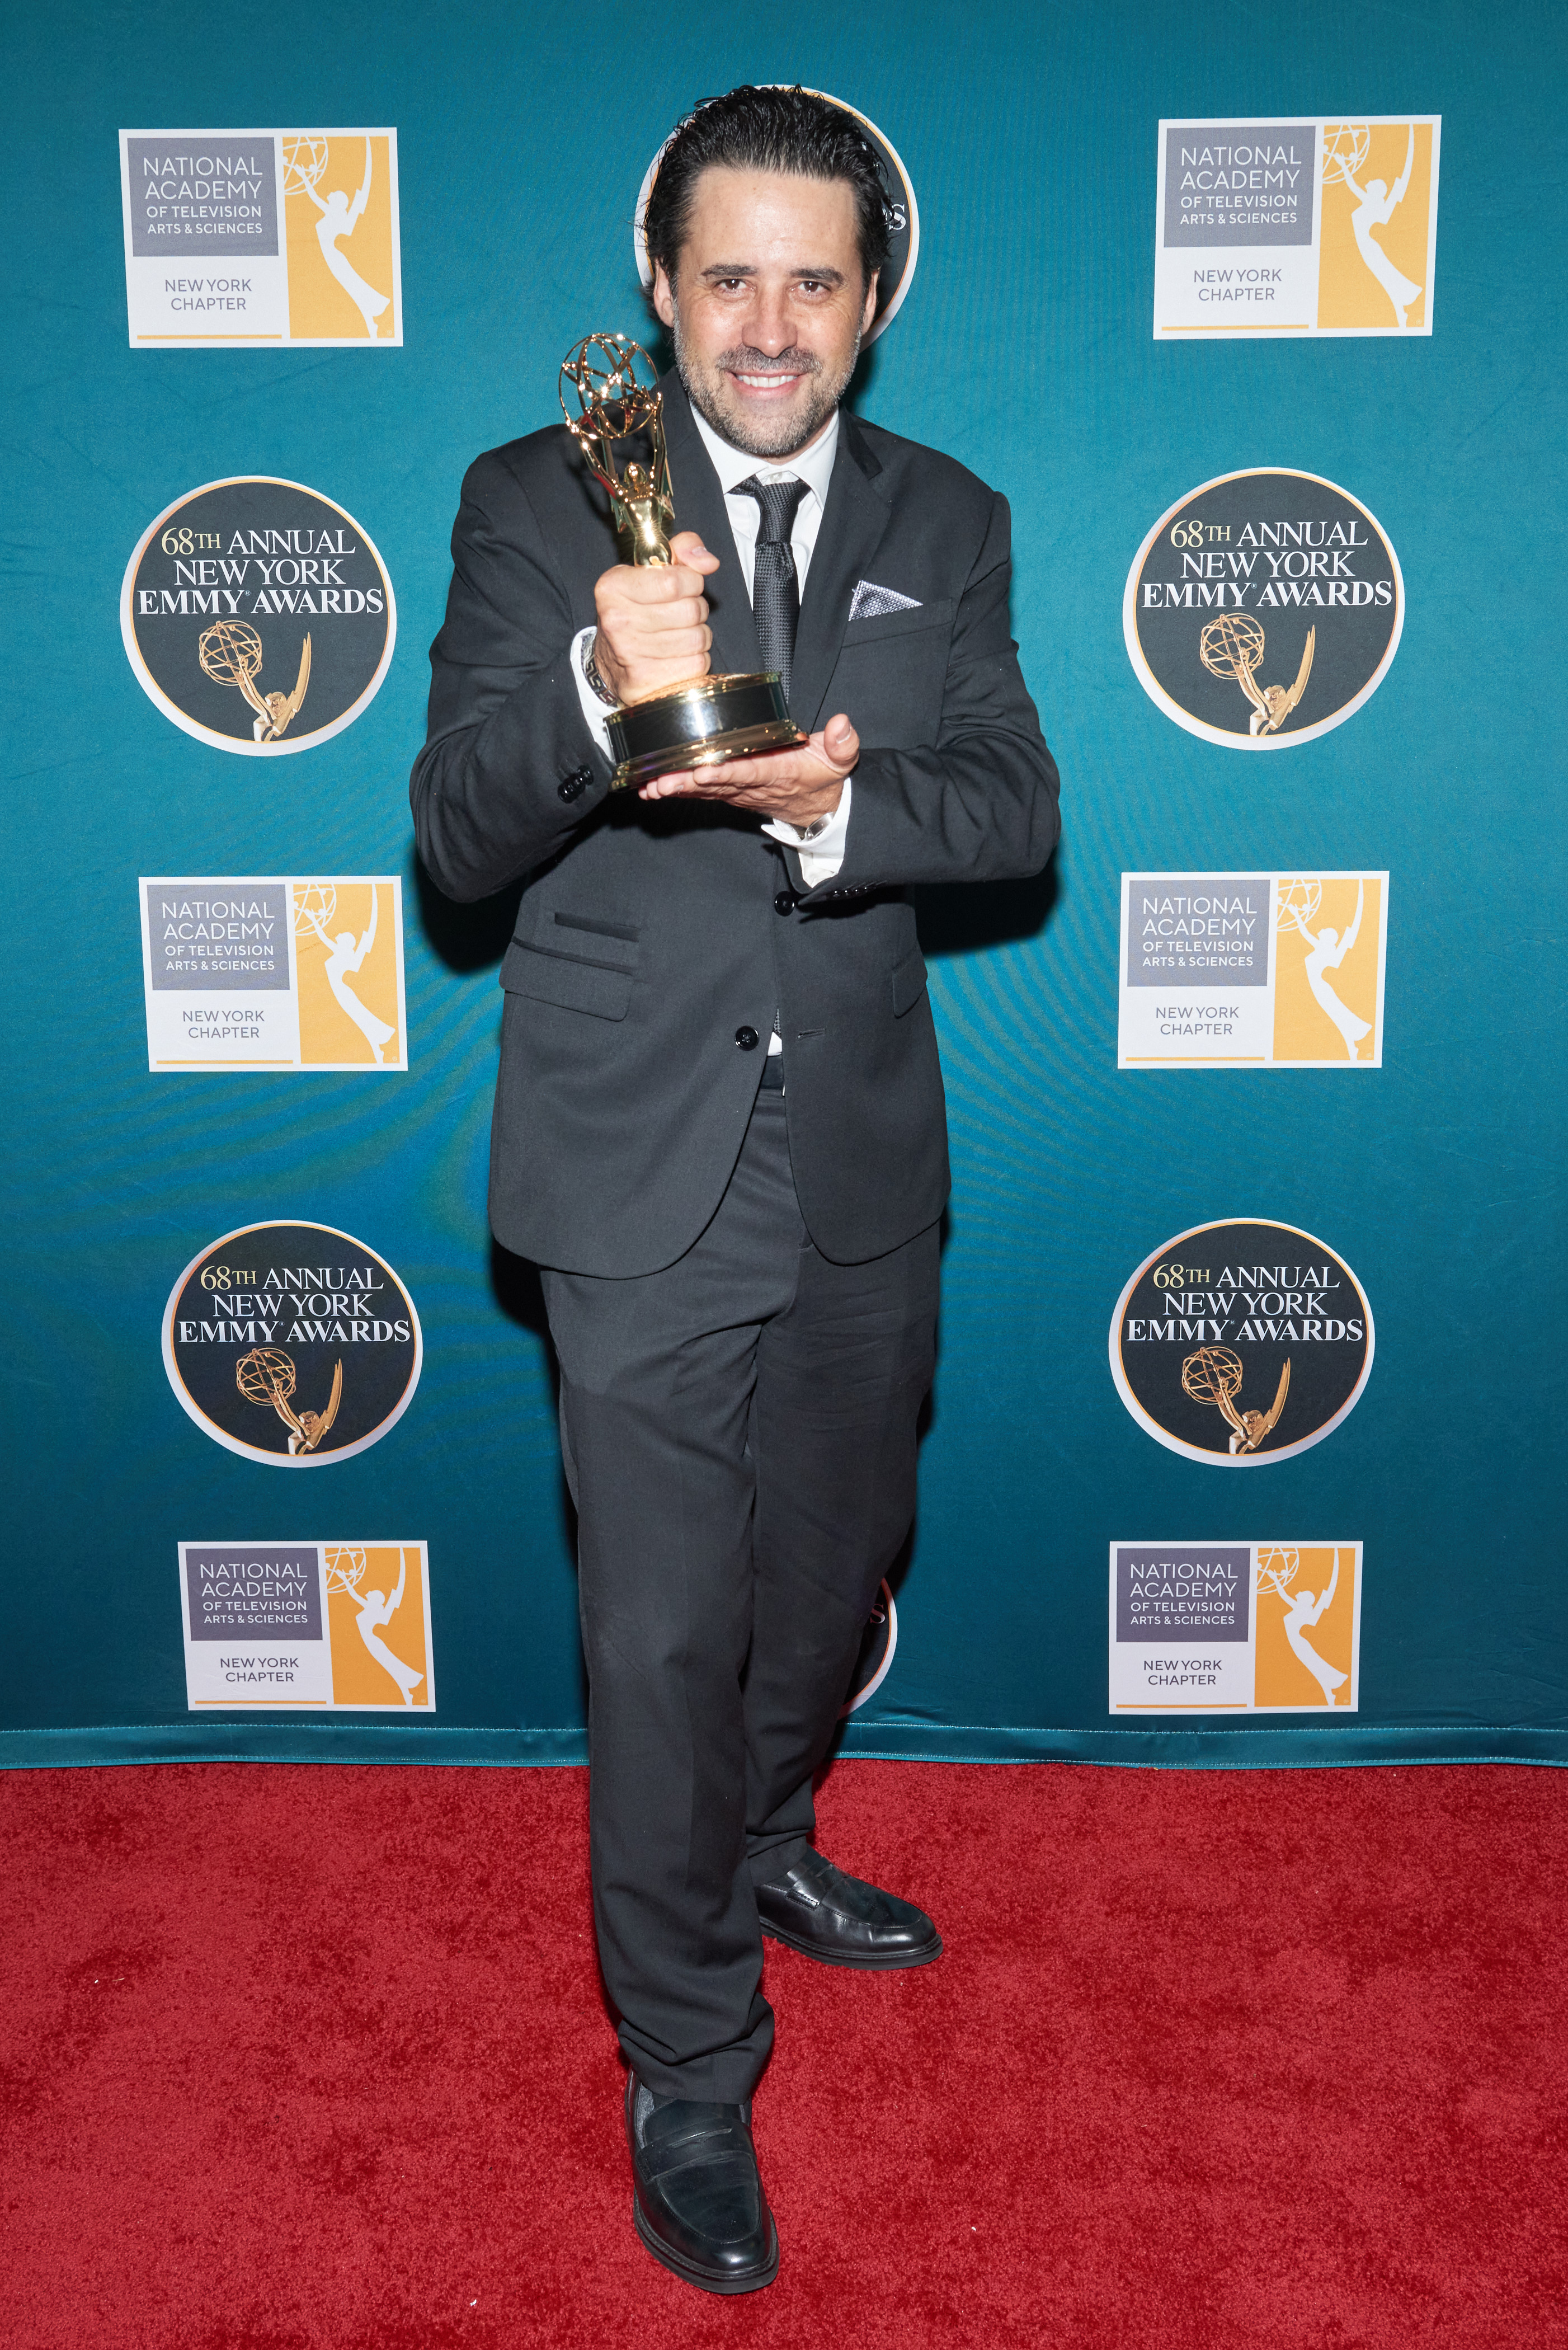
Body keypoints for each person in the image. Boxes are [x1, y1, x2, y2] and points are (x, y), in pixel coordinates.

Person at [411, 84, 1058, 2295]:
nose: (767, 325)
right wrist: (606, 680)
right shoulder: (534, 503)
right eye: (727, 280)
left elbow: (1011, 807)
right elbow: (456, 836)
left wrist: (830, 814)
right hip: (633, 1161)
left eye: (812, 281)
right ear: (661, 292)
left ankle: (765, 1835)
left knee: (821, 1579)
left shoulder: (949, 516)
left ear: (871, 302)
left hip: (859, 1154)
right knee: (664, 1631)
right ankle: (688, 2059)